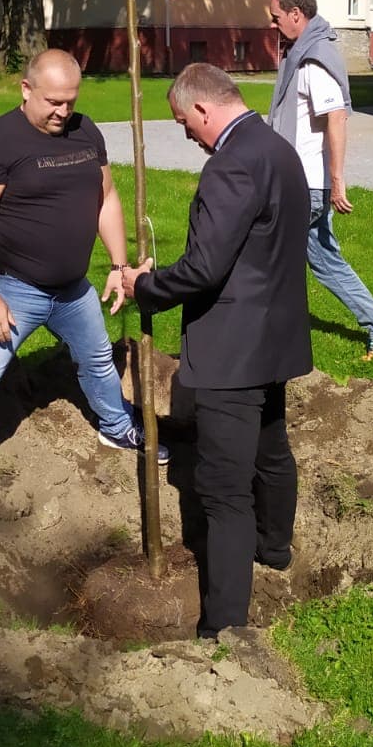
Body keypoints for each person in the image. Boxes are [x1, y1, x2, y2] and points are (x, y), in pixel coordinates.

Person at [0, 49, 164, 537]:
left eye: (70, 101)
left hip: (73, 290)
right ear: (26, 89)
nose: (63, 111)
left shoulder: (86, 132)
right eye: (53, 102)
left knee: (98, 360)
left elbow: (105, 196)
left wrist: (118, 264)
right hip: (13, 288)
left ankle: (116, 427)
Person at [122, 63, 312, 638]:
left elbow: (204, 269)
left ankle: (224, 627)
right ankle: (273, 549)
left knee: (225, 492)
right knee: (271, 450)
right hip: (275, 337)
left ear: (203, 108)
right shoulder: (278, 149)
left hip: (233, 351)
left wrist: (145, 286)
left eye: (185, 122)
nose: (187, 135)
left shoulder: (230, 165)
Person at [267, 0, 373, 359]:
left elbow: (337, 118)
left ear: (296, 14)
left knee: (267, 251)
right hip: (301, 181)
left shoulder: (315, 60)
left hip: (306, 184)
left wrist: (337, 181)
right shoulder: (302, 54)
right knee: (325, 261)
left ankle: (268, 331)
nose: (273, 25)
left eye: (276, 18)